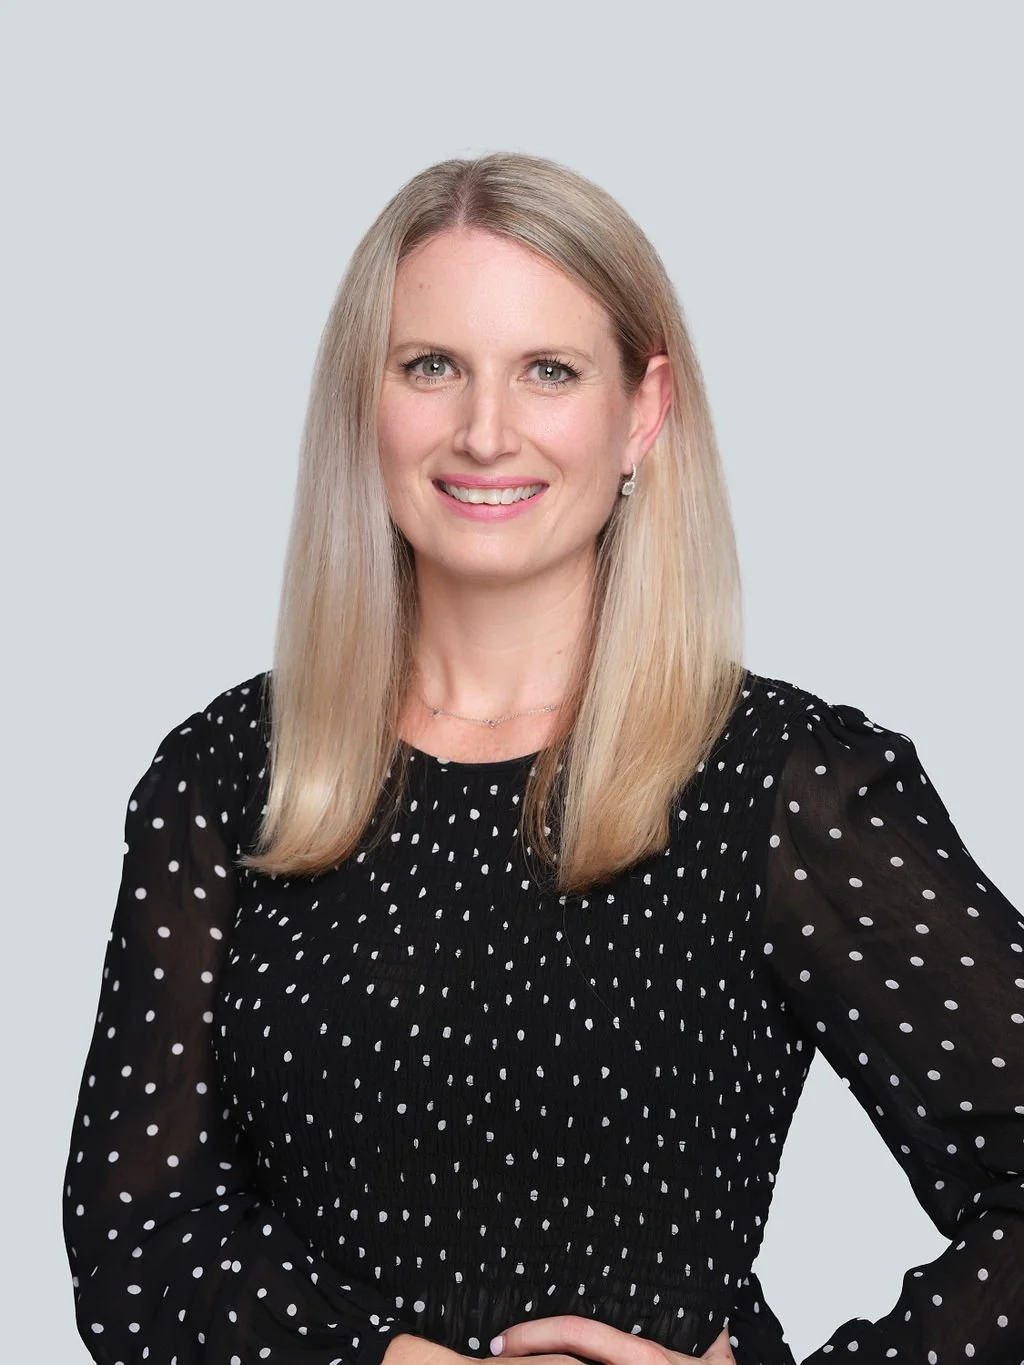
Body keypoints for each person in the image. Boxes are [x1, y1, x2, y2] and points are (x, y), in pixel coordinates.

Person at [63, 152, 1023, 1365]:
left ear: (642, 409)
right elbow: (133, 1238)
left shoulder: (787, 783)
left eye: (548, 372)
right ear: (364, 401)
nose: (483, 431)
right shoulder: (221, 782)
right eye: (430, 368)